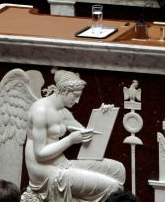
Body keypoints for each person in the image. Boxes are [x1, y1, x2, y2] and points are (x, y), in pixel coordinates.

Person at [24, 68, 125, 202]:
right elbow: (40, 153)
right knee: (113, 187)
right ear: (65, 90)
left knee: (118, 170)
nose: (77, 101)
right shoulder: (40, 111)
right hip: (45, 174)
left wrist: (103, 114)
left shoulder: (62, 112)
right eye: (75, 95)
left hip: (62, 164)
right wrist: (70, 140)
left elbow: (87, 134)